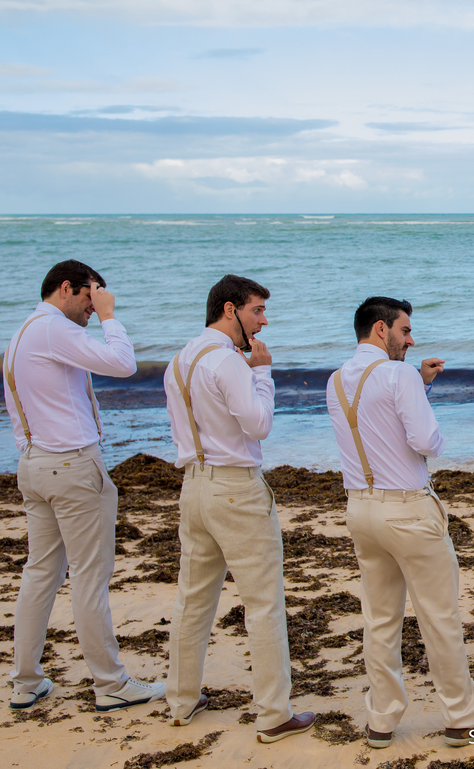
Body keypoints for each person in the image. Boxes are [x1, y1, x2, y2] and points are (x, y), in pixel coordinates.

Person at [326, 296, 474, 748]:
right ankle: (462, 717)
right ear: (381, 330)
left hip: (360, 509)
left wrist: (417, 384)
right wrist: (419, 395)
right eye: (405, 330)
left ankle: (381, 721)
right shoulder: (397, 374)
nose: (411, 339)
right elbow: (425, 440)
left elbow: (377, 423)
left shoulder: (336, 380)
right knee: (439, 616)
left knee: (380, 619)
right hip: (407, 510)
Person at [4, 260, 165, 712]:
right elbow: (123, 363)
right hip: (71, 466)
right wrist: (113, 316)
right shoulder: (53, 328)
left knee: (40, 574)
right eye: (91, 296)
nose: (94, 309)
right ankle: (110, 683)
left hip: (35, 463)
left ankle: (26, 680)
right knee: (90, 578)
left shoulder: (24, 331)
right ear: (66, 288)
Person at [162, 274, 313, 742]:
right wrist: (263, 372)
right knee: (264, 602)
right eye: (257, 312)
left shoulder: (179, 359)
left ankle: (182, 700)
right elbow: (259, 425)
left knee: (194, 598)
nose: (262, 323)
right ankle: (273, 714)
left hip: (195, 486)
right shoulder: (227, 362)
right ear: (230, 310)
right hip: (235, 487)